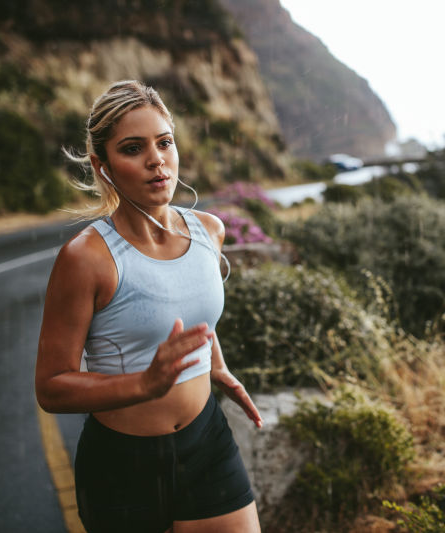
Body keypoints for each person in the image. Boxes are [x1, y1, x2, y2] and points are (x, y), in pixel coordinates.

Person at [35, 80, 263, 533]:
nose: (156, 159)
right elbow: (51, 387)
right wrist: (144, 384)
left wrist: (216, 365)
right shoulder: (86, 258)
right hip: (122, 467)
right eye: (133, 148)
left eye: (164, 142)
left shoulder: (209, 231)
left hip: (207, 444)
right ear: (103, 167)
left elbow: (189, 308)